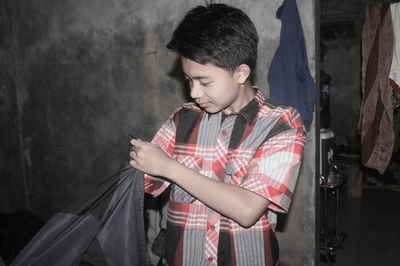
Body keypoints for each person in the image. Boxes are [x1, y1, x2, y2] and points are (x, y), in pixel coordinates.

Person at [130, 3, 306, 266]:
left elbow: (247, 210)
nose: (193, 93)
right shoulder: (182, 119)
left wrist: (168, 167)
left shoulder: (281, 124)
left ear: (241, 73)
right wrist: (143, 163)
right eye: (189, 80)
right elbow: (149, 184)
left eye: (204, 81)